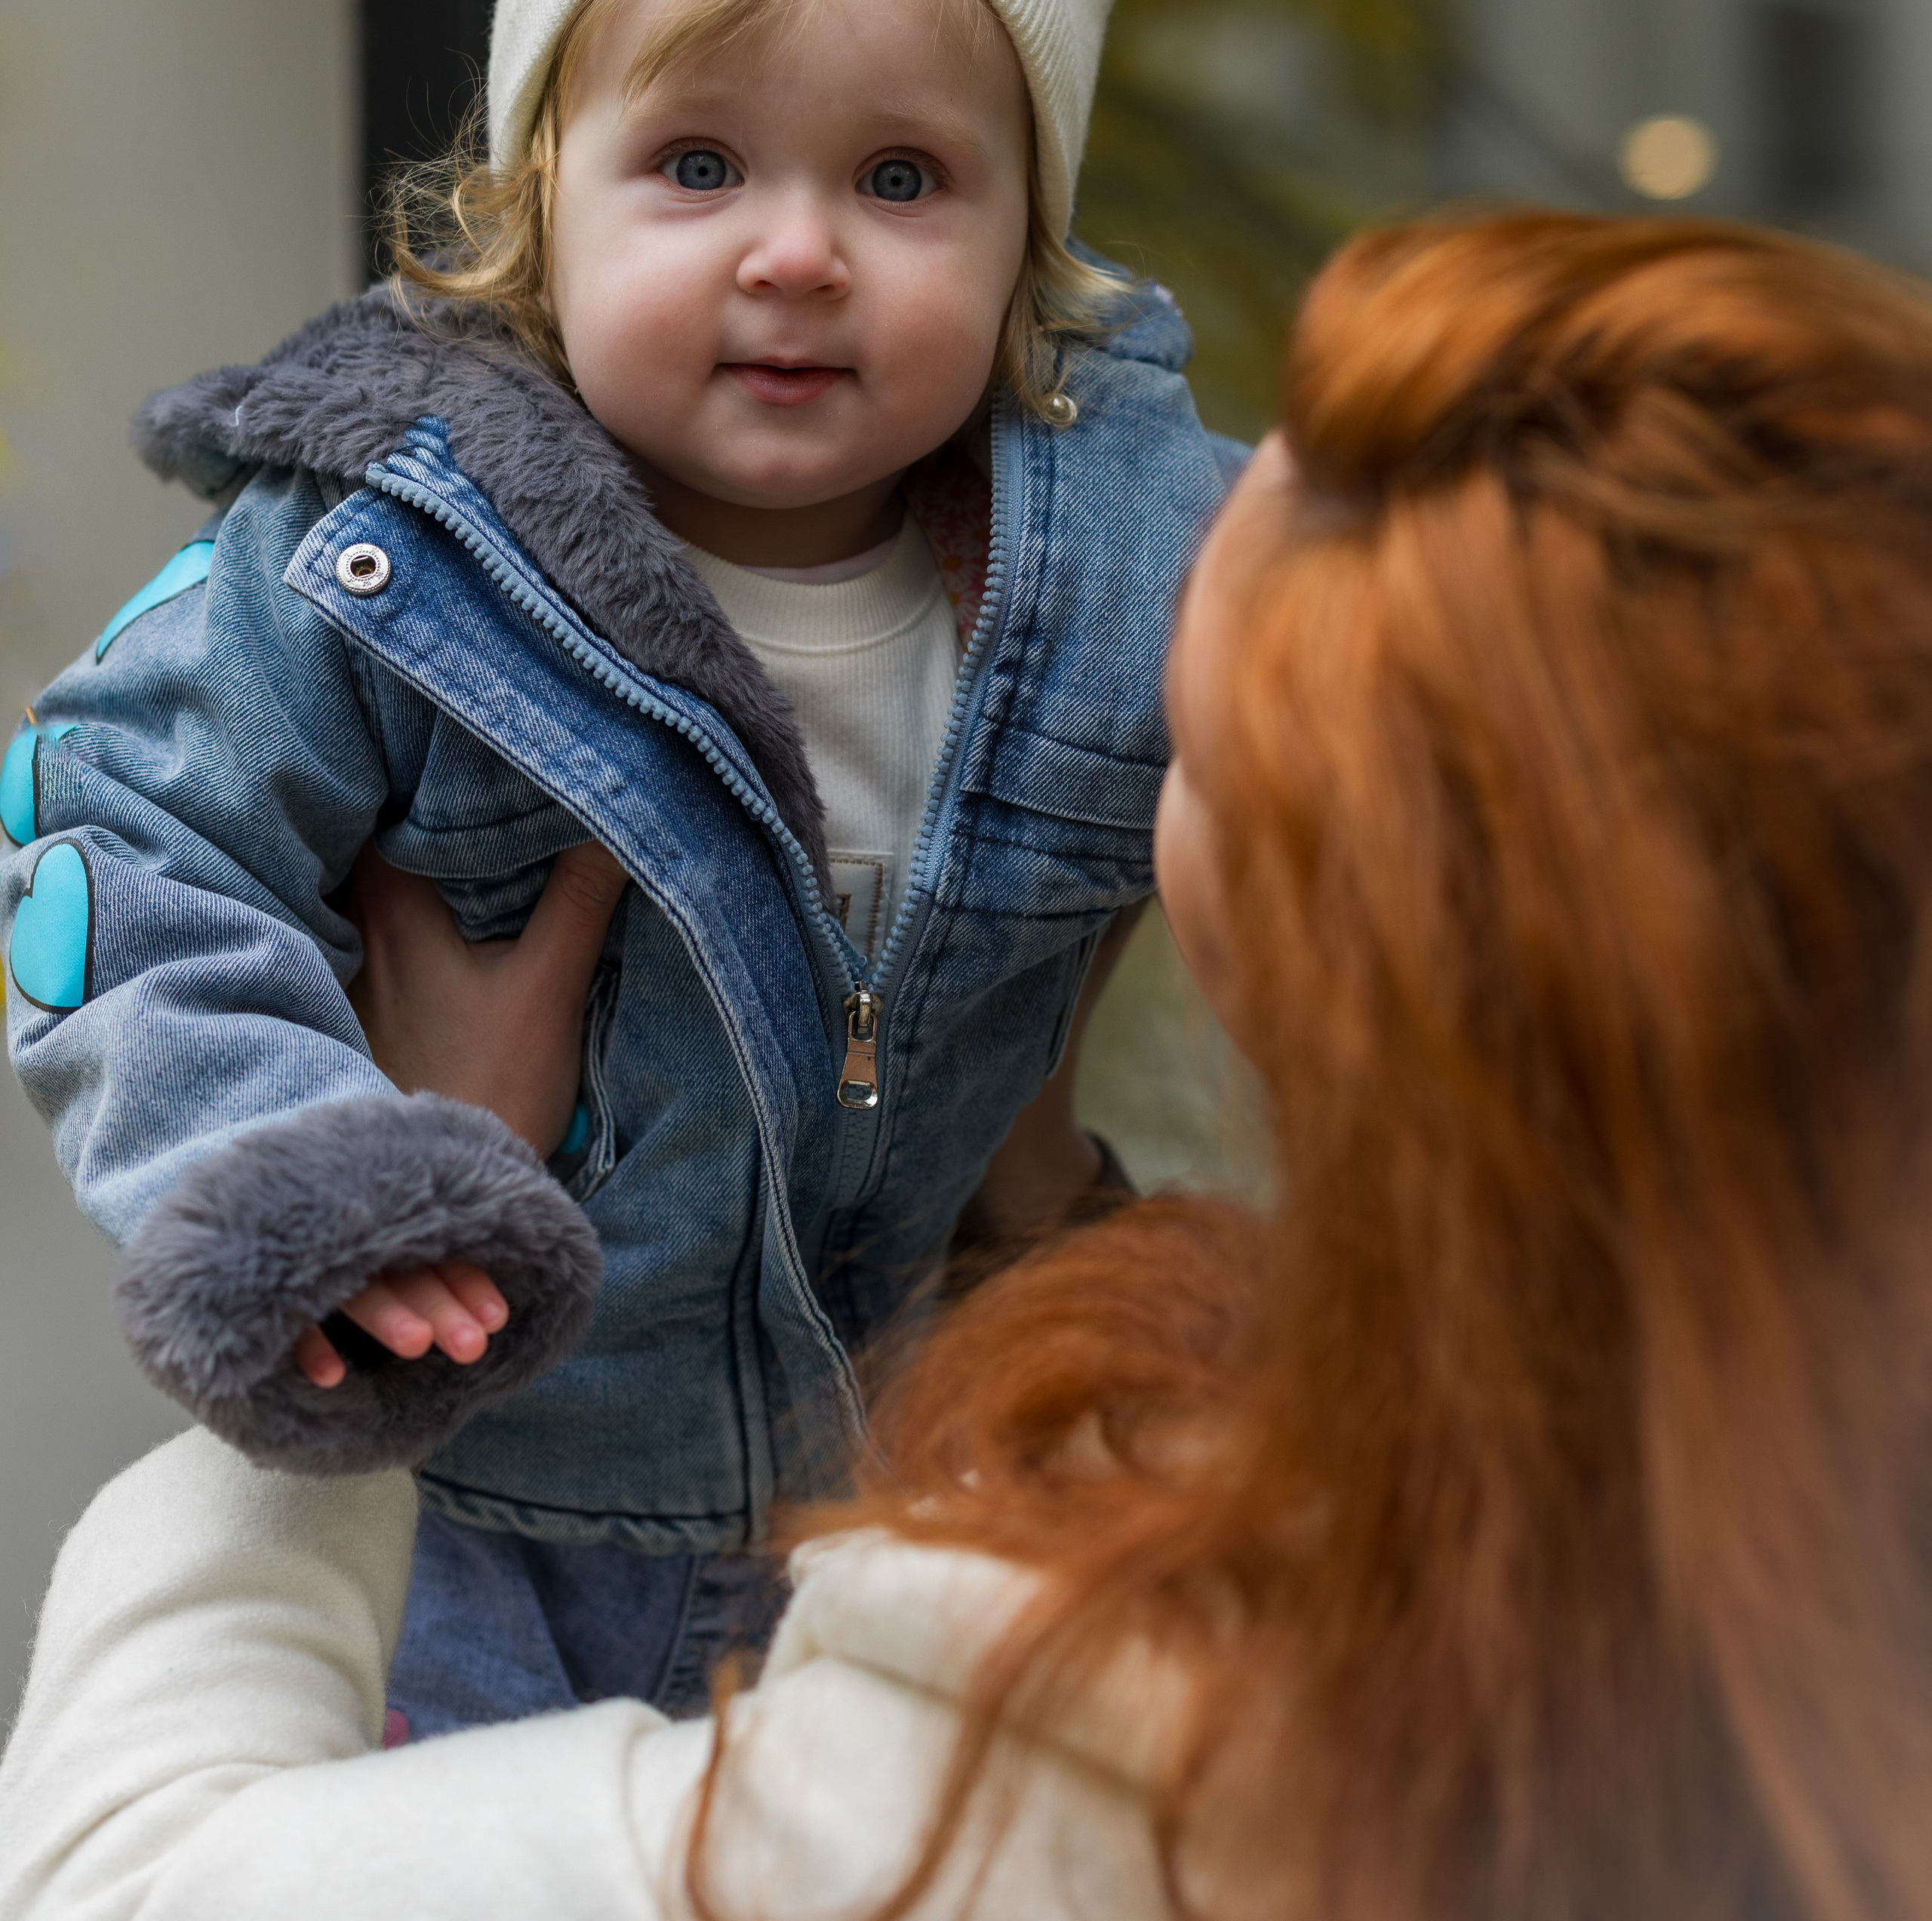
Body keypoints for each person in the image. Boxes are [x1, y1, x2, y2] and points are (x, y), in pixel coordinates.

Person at [8, 207, 1932, 1921]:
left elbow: (128, 1877)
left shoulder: (1066, 1757)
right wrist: (1023, 1184)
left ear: (1330, 937)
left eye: (1164, 746)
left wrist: (377, 1258)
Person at [0, 0, 1231, 1737]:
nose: (798, 250)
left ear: (1034, 246)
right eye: (697, 164)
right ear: (534, 206)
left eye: (906, 177)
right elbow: (114, 842)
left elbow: (1414, 726)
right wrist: (325, 1174)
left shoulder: (1133, 572)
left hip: (922, 1511)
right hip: (492, 1510)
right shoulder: (390, 548)